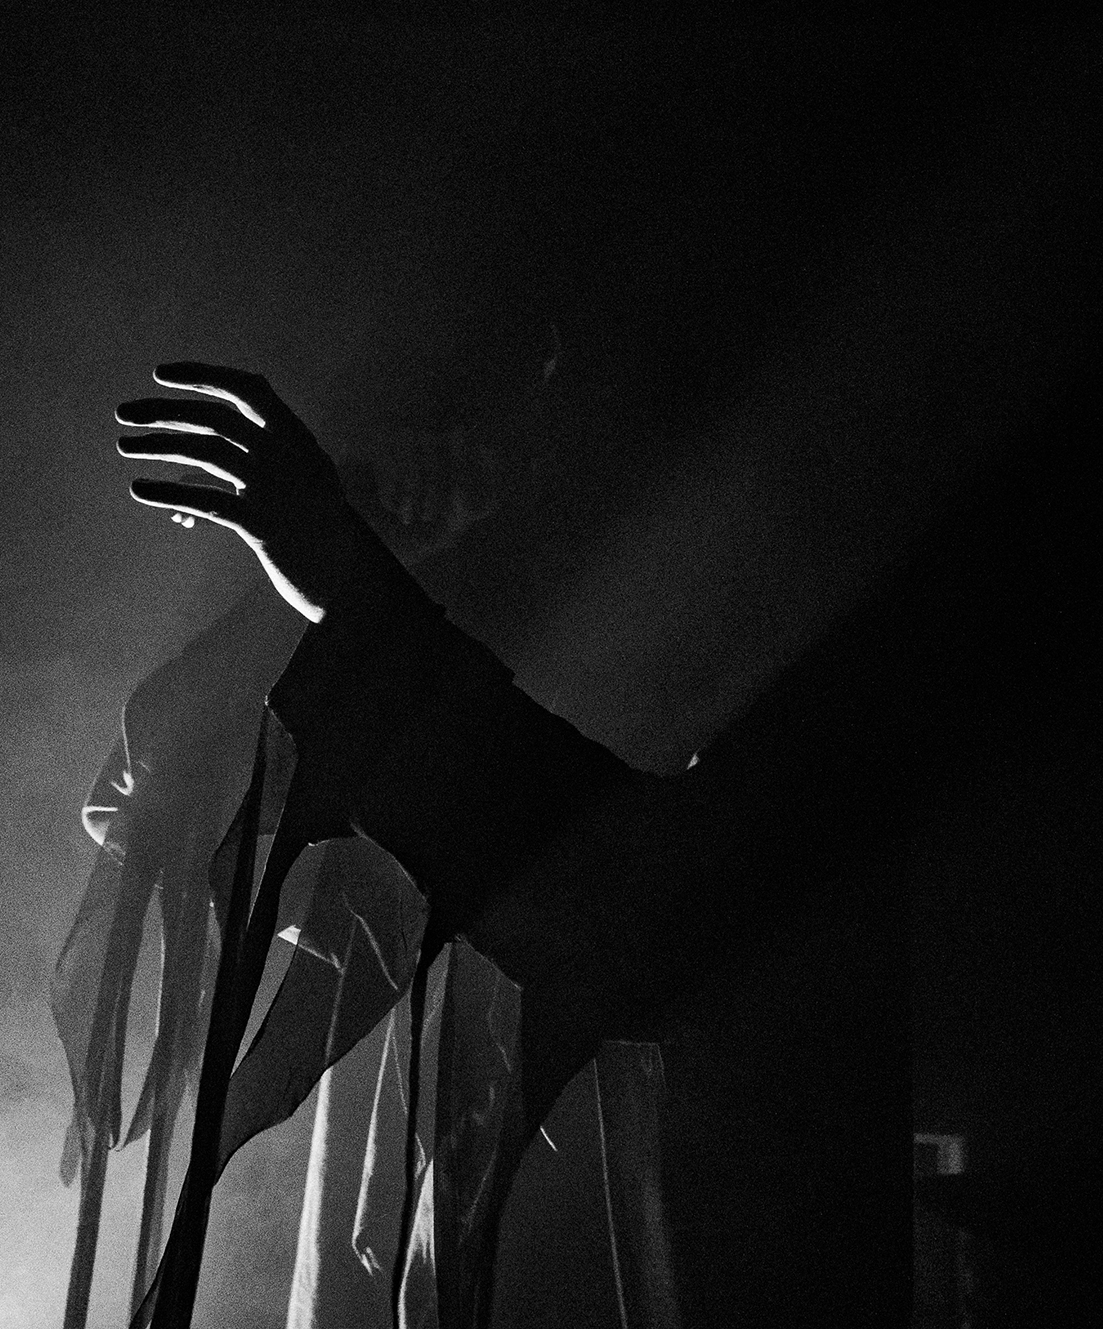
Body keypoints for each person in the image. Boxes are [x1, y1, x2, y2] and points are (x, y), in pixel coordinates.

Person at [84, 362, 903, 1329]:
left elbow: (662, 888)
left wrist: (358, 588)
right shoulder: (452, 591)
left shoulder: (712, 626)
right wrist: (335, 580)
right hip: (468, 1085)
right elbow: (154, 792)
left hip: (614, 1121)